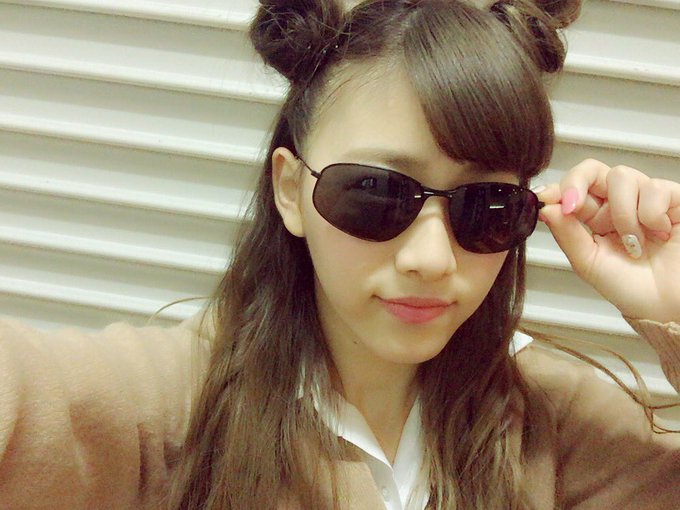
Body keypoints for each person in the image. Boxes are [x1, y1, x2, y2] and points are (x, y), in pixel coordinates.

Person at [0, 0, 679, 508]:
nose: (432, 258)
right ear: (290, 190)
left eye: (486, 206)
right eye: (376, 193)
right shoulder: (173, 407)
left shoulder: (553, 421)